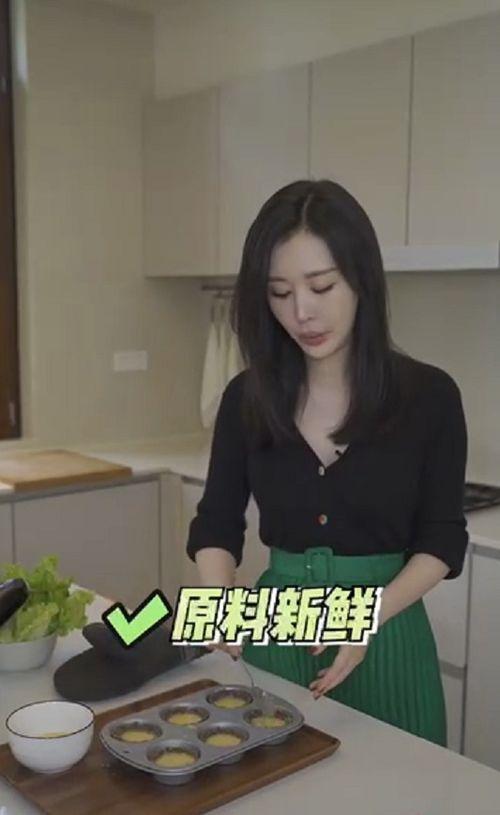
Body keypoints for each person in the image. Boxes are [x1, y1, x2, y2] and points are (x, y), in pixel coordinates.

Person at [186, 179, 469, 747]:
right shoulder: (246, 399)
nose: (302, 312)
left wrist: (364, 620)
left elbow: (441, 540)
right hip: (277, 632)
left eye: (321, 286)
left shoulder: (429, 396)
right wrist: (217, 607)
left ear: (362, 278)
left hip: (387, 634)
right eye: (279, 293)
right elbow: (216, 523)